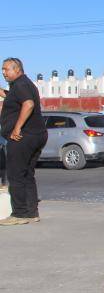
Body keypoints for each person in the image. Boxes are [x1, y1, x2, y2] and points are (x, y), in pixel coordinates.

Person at [0, 58, 47, 225]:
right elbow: (14, 98)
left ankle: (19, 214)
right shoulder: (22, 85)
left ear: (17, 69)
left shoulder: (20, 85)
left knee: (16, 175)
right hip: (36, 135)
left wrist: (17, 128)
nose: (3, 72)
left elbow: (28, 104)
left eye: (6, 69)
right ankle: (31, 213)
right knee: (27, 174)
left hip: (23, 137)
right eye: (2, 69)